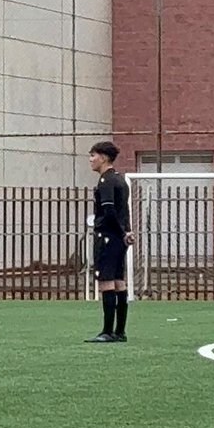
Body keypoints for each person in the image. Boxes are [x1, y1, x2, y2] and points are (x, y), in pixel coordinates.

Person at [86, 141, 134, 343]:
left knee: (106, 281)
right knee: (118, 281)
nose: (90, 159)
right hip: (119, 239)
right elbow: (125, 211)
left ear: (104, 158)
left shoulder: (106, 181)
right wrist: (127, 231)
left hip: (107, 236)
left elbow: (110, 211)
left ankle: (107, 331)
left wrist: (121, 232)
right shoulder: (121, 180)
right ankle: (120, 331)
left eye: (93, 155)